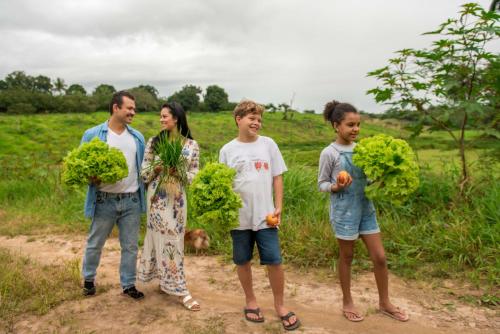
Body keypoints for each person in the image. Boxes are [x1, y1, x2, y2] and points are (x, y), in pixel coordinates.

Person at [318, 100, 409, 322]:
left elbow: (368, 179)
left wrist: (383, 179)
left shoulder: (364, 150)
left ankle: (385, 303)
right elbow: (321, 184)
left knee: (380, 257)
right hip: (344, 211)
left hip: (366, 208)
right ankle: (347, 301)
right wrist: (336, 186)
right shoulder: (329, 153)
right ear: (336, 125)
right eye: (350, 125)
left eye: (358, 124)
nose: (356, 129)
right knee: (347, 257)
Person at [219, 100, 301, 331]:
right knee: (242, 260)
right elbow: (223, 183)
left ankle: (280, 305)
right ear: (238, 119)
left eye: (259, 120)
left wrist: (279, 206)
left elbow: (277, 176)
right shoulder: (227, 150)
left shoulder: (269, 144)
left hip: (266, 217)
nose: (256, 123)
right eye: (251, 118)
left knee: (274, 261)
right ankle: (251, 301)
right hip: (238, 217)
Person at [81, 91, 146, 299]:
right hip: (104, 200)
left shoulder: (137, 137)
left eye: (134, 109)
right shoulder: (93, 134)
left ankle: (128, 284)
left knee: (130, 246)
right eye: (129, 108)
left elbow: (143, 168)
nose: (133, 112)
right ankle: (88, 280)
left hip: (132, 200)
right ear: (115, 108)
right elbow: (81, 166)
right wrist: (90, 176)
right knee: (95, 243)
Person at [137, 102, 201, 311]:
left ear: (176, 118)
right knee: (166, 238)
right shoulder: (154, 142)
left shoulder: (191, 146)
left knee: (174, 239)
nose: (161, 119)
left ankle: (168, 282)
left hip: (178, 200)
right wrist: (157, 168)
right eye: (161, 116)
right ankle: (181, 290)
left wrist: (178, 173)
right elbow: (143, 173)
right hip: (156, 199)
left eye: (165, 116)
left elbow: (193, 176)